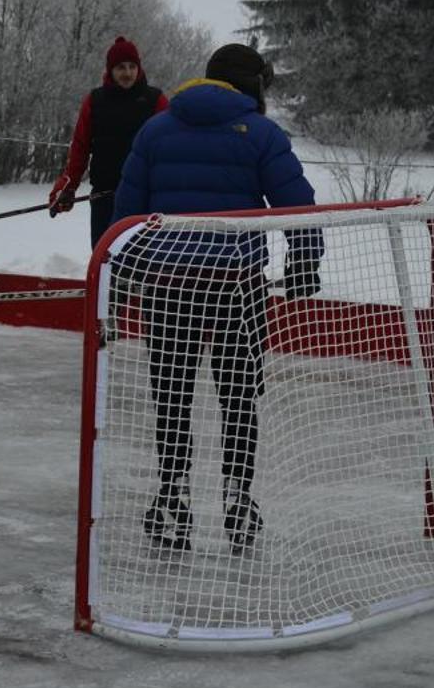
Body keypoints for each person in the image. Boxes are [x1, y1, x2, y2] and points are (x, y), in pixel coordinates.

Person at [110, 42, 322, 554]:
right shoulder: (263, 134)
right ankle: (237, 501)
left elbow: (127, 212)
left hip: (169, 286)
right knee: (239, 397)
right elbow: (298, 205)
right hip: (237, 288)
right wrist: (304, 266)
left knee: (172, 397)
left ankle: (173, 499)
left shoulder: (156, 129)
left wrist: (128, 272)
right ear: (252, 85)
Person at [49, 35, 168, 248]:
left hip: (144, 197)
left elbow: (169, 148)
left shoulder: (155, 100)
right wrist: (67, 187)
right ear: (110, 70)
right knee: (105, 256)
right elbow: (80, 148)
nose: (127, 73)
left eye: (132, 66)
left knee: (141, 261)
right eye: (121, 67)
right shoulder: (95, 101)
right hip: (104, 195)